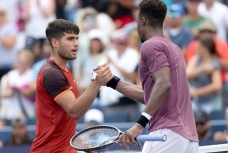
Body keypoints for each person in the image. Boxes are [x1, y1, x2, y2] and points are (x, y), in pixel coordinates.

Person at [104, 0, 198, 152]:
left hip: (167, 134)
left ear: (142, 20)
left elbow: (163, 84)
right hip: (187, 138)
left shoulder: (150, 45)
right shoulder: (174, 48)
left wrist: (140, 123)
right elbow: (153, 95)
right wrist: (113, 82)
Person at [30, 19, 113, 153]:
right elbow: (75, 111)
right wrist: (96, 82)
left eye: (76, 38)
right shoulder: (51, 73)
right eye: (70, 39)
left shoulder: (65, 70)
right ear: (55, 42)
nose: (76, 44)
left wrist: (85, 146)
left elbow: (66, 122)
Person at [187, 36, 222, 113]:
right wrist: (203, 69)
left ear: (206, 49)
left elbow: (217, 86)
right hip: (194, 103)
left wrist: (197, 92)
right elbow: (187, 75)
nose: (197, 48)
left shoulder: (214, 64)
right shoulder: (195, 59)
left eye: (199, 47)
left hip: (209, 102)